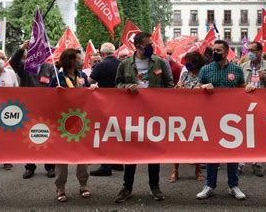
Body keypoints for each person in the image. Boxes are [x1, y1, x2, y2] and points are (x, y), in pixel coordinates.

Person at [114, 32, 174, 203]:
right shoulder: (125, 64)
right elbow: (116, 84)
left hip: (154, 114)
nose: (150, 47)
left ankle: (155, 187)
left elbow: (169, 85)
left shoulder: (159, 61)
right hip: (132, 114)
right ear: (137, 46)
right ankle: (127, 187)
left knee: (153, 151)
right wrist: (126, 86)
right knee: (131, 152)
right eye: (147, 44)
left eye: (151, 44)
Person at [196, 40, 246, 201]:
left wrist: (249, 89)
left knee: (232, 152)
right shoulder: (206, 69)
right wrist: (203, 88)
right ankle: (210, 185)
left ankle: (234, 186)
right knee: (212, 152)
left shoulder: (237, 70)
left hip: (232, 118)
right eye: (213, 50)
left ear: (226, 52)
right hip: (211, 116)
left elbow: (242, 89)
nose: (214, 52)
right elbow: (196, 89)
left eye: (218, 50)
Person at [9, 40, 56, 179]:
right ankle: (30, 166)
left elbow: (54, 84)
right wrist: (22, 47)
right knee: (29, 138)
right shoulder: (25, 67)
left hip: (46, 109)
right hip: (28, 108)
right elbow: (13, 62)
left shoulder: (49, 67)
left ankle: (50, 167)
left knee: (47, 137)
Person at [49, 48, 91, 203]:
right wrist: (55, 92)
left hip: (81, 120)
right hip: (63, 122)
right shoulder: (58, 78)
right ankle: (60, 187)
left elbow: (87, 95)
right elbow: (47, 98)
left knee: (83, 155)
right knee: (61, 157)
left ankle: (84, 184)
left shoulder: (82, 76)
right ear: (71, 60)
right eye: (78, 58)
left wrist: (92, 90)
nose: (80, 60)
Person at [240, 41, 266, 177]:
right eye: (248, 50)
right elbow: (239, 84)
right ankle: (241, 162)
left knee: (260, 134)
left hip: (263, 105)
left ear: (259, 52)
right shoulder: (243, 66)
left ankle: (257, 162)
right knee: (244, 133)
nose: (248, 53)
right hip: (246, 104)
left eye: (252, 50)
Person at [168, 51, 205, 183]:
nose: (188, 64)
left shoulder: (203, 74)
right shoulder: (185, 74)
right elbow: (177, 89)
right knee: (177, 142)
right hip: (182, 112)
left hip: (198, 112)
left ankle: (198, 169)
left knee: (197, 142)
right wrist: (178, 88)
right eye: (187, 61)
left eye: (190, 62)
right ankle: (175, 170)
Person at [88, 43, 123, 177]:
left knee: (105, 133)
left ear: (102, 54)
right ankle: (118, 162)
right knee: (116, 132)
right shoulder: (121, 63)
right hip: (120, 103)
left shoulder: (100, 65)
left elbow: (90, 81)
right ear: (113, 52)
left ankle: (106, 166)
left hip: (105, 104)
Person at [0, 49, 19, 171]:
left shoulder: (11, 74)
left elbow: (16, 89)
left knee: (6, 133)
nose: (1, 60)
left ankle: (6, 158)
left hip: (7, 109)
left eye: (3, 58)